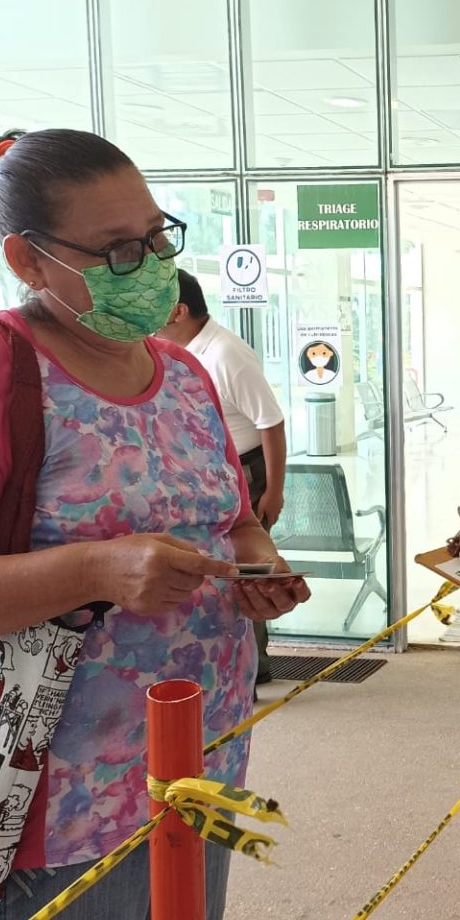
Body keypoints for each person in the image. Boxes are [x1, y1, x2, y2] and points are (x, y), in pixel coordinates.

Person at [0, 127, 310, 920]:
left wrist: (256, 565)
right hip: (56, 786)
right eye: (115, 250)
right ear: (27, 258)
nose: (148, 266)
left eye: (156, 236)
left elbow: (233, 517)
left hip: (201, 761)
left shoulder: (183, 373)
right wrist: (96, 567)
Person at [157, 269, 288, 685]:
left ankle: (255, 667)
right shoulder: (177, 354)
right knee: (219, 565)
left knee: (249, 569)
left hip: (248, 471)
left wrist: (274, 492)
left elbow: (271, 422)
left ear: (179, 311)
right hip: (214, 471)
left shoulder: (225, 353)